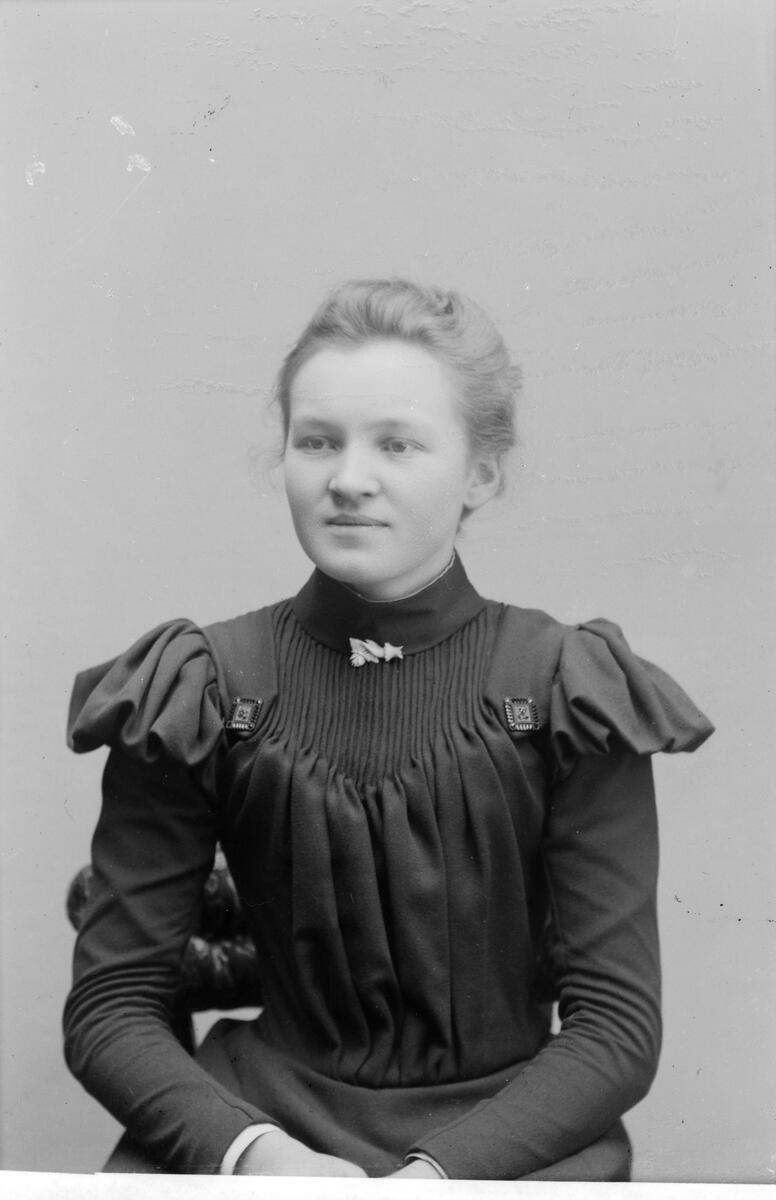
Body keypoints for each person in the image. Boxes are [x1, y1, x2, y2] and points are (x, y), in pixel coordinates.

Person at [64, 278, 713, 1180]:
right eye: (317, 441)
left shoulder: (565, 688)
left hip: (507, 1145)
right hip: (260, 1128)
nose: (347, 479)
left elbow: (617, 1028)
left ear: (481, 473)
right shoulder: (200, 686)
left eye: (397, 444)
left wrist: (432, 1179)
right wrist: (253, 1156)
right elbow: (111, 1009)